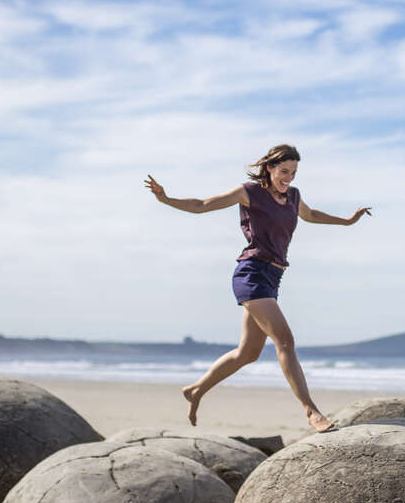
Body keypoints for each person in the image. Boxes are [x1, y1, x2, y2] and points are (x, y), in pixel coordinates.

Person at [144, 144, 371, 432]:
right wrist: (166, 199)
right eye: (284, 171)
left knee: (247, 353)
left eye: (294, 173)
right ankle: (310, 411)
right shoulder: (249, 192)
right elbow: (202, 205)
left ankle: (196, 389)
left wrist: (348, 221)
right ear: (270, 168)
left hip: (273, 278)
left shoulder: (293, 197)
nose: (288, 178)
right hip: (252, 273)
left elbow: (310, 215)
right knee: (285, 341)